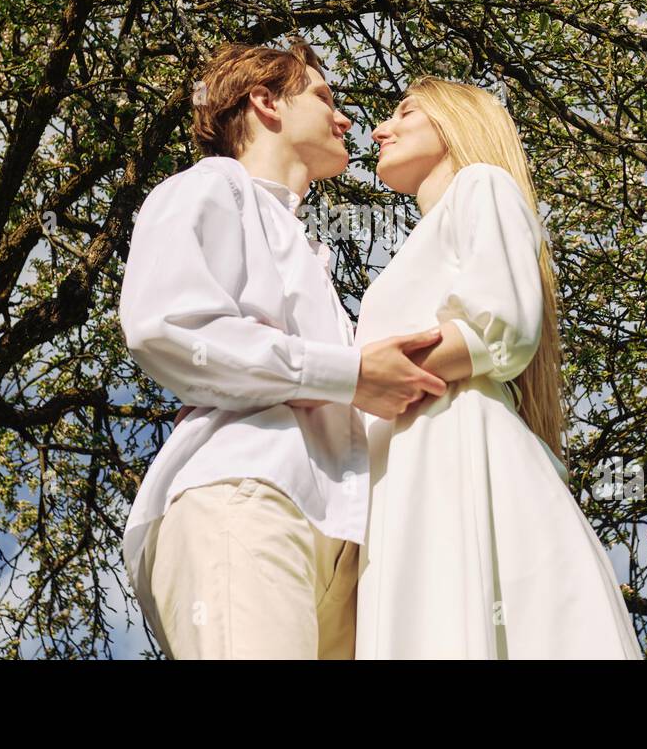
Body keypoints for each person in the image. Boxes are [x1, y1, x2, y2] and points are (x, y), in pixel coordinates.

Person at [117, 36, 447, 658]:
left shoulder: (308, 252)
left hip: (344, 543)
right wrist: (346, 373)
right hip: (247, 496)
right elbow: (166, 327)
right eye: (324, 96)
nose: (346, 117)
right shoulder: (210, 187)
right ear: (266, 103)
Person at [353, 75, 645, 658]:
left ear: (456, 123)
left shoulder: (481, 185)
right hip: (410, 457)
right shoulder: (424, 237)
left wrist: (344, 384)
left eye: (404, 112)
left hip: (450, 442)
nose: (379, 130)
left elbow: (499, 324)